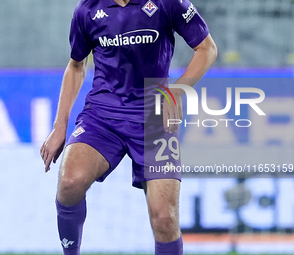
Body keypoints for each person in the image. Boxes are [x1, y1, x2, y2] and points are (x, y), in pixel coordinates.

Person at [40, 0, 217, 253]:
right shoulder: (87, 10)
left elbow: (207, 49)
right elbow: (76, 65)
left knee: (165, 219)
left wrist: (177, 91)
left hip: (155, 119)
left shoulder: (168, 3)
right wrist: (60, 126)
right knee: (69, 182)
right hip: (102, 115)